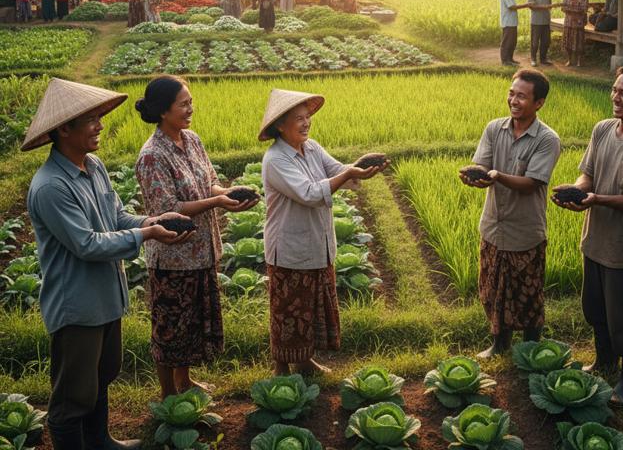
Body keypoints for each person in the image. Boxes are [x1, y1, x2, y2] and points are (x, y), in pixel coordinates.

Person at [23, 78, 190, 450]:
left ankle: (100, 440)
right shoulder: (51, 186)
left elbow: (114, 216)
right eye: (91, 119)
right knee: (73, 396)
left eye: (100, 117)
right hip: (77, 306)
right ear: (63, 129)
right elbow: (86, 244)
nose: (100, 125)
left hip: (104, 298)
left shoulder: (93, 166)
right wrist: (146, 236)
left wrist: (147, 221)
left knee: (102, 375)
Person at [552, 63, 623, 404]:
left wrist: (597, 198)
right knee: (595, 310)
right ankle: (604, 362)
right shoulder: (603, 129)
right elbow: (586, 174)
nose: (615, 97)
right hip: (595, 241)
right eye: (614, 89)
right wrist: (577, 192)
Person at [135, 76, 256, 398]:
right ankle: (167, 393)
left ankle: (184, 381)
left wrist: (226, 194)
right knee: (170, 328)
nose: (191, 109)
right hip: (173, 259)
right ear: (163, 111)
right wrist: (216, 201)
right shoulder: (152, 155)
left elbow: (211, 181)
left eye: (191, 102)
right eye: (183, 104)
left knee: (190, 327)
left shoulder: (192, 140)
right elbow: (167, 209)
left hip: (201, 251)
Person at [260, 89, 388, 373]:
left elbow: (337, 169)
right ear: (280, 125)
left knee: (308, 307)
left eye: (308, 117)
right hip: (290, 248)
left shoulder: (312, 147)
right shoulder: (276, 159)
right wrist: (349, 174)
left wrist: (359, 167)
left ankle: (305, 361)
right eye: (298, 119)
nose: (306, 123)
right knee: (288, 310)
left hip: (316, 241)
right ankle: (281, 368)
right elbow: (308, 193)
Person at [461, 68, 561, 358]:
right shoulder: (495, 128)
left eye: (521, 96)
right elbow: (481, 168)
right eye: (511, 93)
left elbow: (531, 184)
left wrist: (495, 175)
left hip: (524, 232)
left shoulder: (547, 139)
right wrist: (475, 178)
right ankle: (499, 344)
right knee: (493, 292)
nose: (513, 100)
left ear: (539, 103)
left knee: (528, 295)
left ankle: (532, 348)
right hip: (493, 227)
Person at [499, 0, 528, 66]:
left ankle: (510, 59)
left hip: (512, 22)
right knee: (507, 42)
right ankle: (505, 61)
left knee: (512, 42)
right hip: (508, 22)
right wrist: (526, 5)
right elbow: (511, 7)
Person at [526, 0, 554, 66]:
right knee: (535, 41)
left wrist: (548, 7)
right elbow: (531, 6)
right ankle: (533, 59)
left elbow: (550, 4)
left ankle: (543, 59)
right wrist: (545, 7)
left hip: (546, 20)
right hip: (536, 21)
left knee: (546, 41)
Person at [561, 0, 589, 67]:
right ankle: (570, 60)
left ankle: (579, 60)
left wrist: (571, 10)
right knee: (568, 42)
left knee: (579, 42)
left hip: (579, 23)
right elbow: (563, 7)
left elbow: (584, 9)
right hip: (568, 22)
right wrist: (573, 10)